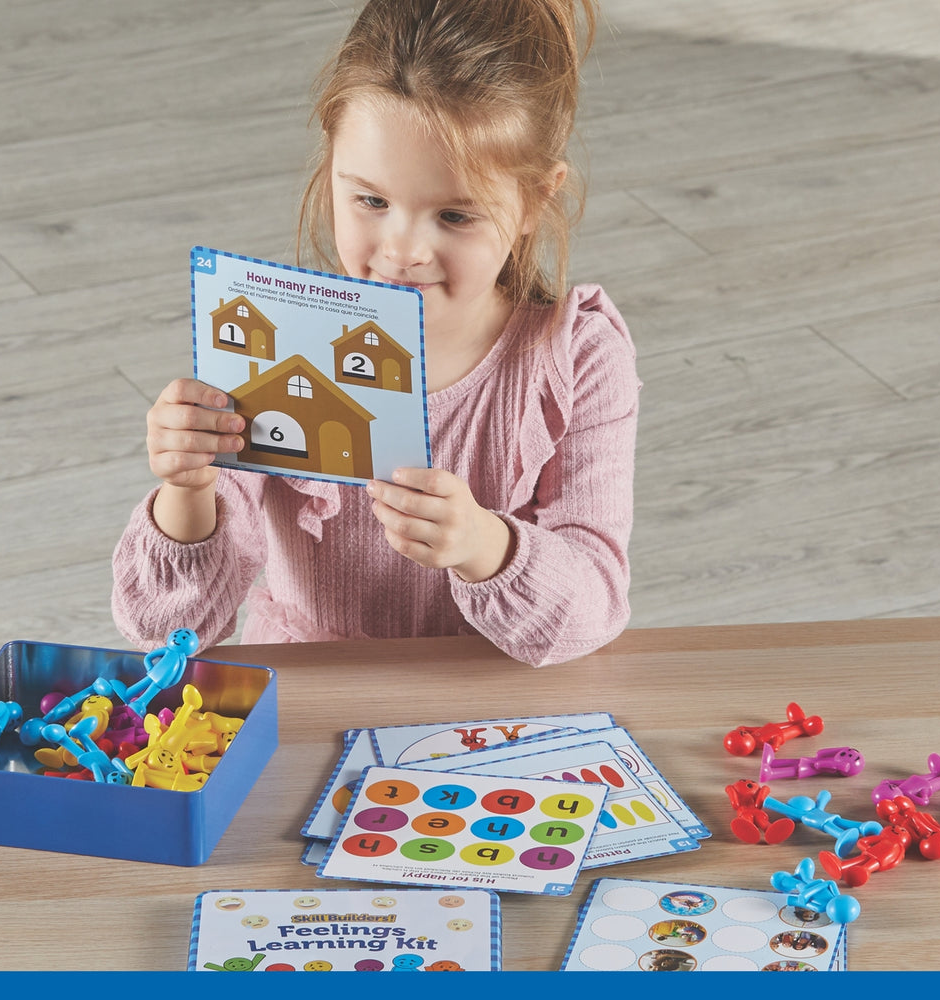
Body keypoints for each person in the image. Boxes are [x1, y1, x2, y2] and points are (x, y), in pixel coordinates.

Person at [112, 0, 639, 668]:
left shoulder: (578, 358)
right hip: (304, 698)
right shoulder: (275, 338)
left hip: (490, 715)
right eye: (371, 201)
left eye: (453, 214)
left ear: (538, 197)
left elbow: (591, 610)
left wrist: (482, 545)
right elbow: (166, 631)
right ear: (332, 162)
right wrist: (187, 490)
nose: (403, 249)